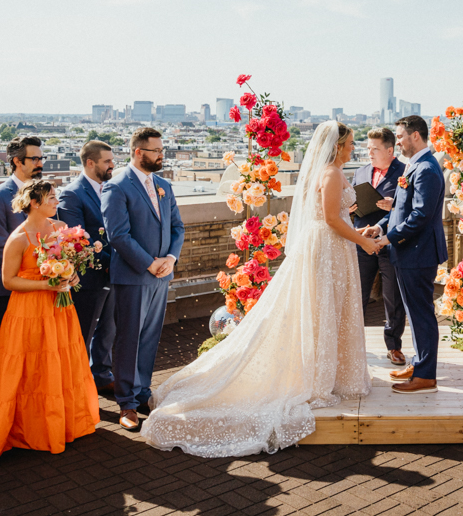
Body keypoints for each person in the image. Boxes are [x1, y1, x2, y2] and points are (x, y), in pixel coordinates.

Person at [141, 122, 377, 456]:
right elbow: (331, 219)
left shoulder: (327, 173)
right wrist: (364, 243)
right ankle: (318, 378)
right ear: (337, 146)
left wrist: (358, 232)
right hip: (328, 248)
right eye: (350, 143)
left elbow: (335, 216)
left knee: (321, 310)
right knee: (323, 310)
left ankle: (325, 372)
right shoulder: (332, 173)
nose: (353, 148)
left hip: (329, 246)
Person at [0, 179, 99, 463]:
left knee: (60, 361)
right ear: (35, 203)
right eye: (51, 198)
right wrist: (45, 285)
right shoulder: (18, 239)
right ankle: (31, 428)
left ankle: (64, 421)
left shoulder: (60, 228)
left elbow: (70, 261)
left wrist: (71, 274)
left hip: (60, 308)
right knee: (33, 366)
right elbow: (9, 281)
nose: (57, 202)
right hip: (29, 311)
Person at [101, 127, 186, 430]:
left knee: (149, 337)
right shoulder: (116, 187)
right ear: (138, 152)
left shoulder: (163, 185)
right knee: (129, 339)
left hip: (161, 276)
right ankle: (126, 403)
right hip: (133, 276)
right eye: (156, 151)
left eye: (162, 150)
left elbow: (178, 227)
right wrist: (150, 264)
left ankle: (143, 393)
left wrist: (170, 259)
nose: (162, 155)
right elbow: (118, 236)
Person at [367, 115, 449, 394]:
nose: (398, 141)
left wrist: (388, 238)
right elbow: (401, 208)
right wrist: (380, 227)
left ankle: (426, 377)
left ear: (416, 135)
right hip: (409, 253)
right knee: (415, 315)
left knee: (421, 315)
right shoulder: (416, 165)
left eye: (400, 136)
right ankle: (420, 363)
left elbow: (420, 216)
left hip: (417, 254)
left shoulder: (426, 168)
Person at [57, 140, 117, 394]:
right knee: (84, 330)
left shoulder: (113, 188)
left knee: (108, 328)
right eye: (107, 161)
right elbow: (77, 239)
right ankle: (77, 382)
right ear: (90, 163)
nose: (112, 165)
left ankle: (102, 375)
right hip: (89, 276)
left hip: (115, 271)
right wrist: (112, 262)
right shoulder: (72, 194)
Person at [0, 136, 43, 353]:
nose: (40, 164)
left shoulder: (46, 194)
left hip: (43, 286)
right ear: (17, 161)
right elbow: (0, 246)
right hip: (12, 287)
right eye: (35, 159)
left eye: (41, 158)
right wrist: (36, 273)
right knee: (8, 347)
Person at [350, 127, 405, 366]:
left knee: (392, 297)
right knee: (357, 295)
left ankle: (394, 347)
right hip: (362, 242)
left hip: (390, 243)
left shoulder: (405, 172)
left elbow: (409, 208)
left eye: (375, 149)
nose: (369, 153)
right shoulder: (360, 172)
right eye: (368, 148)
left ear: (390, 150)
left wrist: (391, 211)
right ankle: (354, 347)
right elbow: (350, 205)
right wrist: (349, 208)